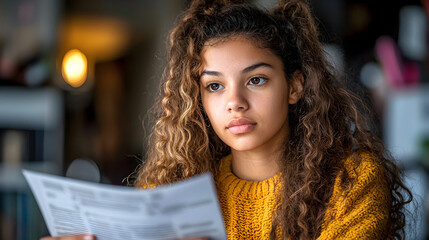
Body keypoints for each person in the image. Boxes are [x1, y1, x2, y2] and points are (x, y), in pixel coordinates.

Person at [42, 0, 413, 239]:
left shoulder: (351, 181)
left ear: (295, 86)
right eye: (215, 86)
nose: (234, 102)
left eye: (256, 80)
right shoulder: (170, 192)